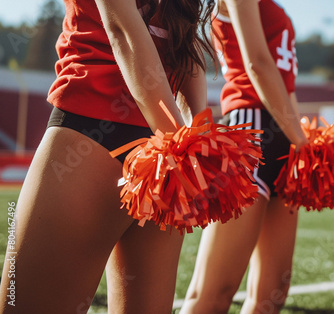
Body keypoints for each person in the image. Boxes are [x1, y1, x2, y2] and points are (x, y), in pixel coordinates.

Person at [0, 0, 216, 312]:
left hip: (93, 134)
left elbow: (123, 32)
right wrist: (195, 141)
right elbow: (185, 46)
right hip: (161, 158)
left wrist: (182, 145)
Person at [180, 0, 309, 312]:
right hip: (251, 132)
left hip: (285, 138)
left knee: (272, 292)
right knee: (214, 292)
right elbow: (257, 64)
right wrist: (303, 143)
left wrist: (297, 142)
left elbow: (284, 80)